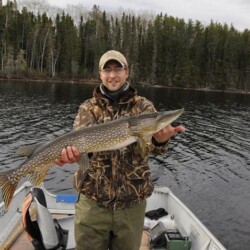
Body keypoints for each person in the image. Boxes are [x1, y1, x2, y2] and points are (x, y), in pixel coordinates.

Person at [55, 50, 185, 250]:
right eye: (107, 70)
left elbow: (152, 150)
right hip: (93, 202)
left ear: (127, 72)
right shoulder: (88, 108)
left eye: (118, 69)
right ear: (100, 74)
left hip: (131, 204)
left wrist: (160, 142)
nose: (112, 75)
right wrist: (70, 155)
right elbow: (82, 150)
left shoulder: (143, 107)